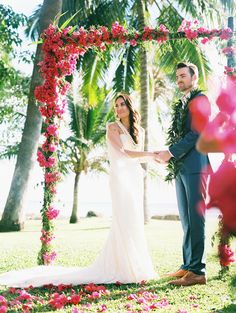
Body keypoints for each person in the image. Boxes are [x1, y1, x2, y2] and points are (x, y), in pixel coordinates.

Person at [0, 93, 157, 287]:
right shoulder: (112, 128)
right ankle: (123, 268)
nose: (118, 108)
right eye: (116, 105)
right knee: (122, 220)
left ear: (129, 106)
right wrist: (151, 153)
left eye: (122, 104)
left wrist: (153, 158)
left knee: (133, 221)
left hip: (134, 180)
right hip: (119, 180)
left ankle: (137, 266)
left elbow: (138, 157)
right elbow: (123, 153)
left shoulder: (139, 131)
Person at [156, 62, 211, 286]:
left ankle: (198, 271)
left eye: (183, 76)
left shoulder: (201, 100)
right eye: (177, 76)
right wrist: (171, 154)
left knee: (196, 219)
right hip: (181, 167)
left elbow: (197, 133)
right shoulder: (182, 102)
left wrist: (170, 152)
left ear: (193, 77)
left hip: (196, 166)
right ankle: (188, 265)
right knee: (186, 219)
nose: (179, 79)